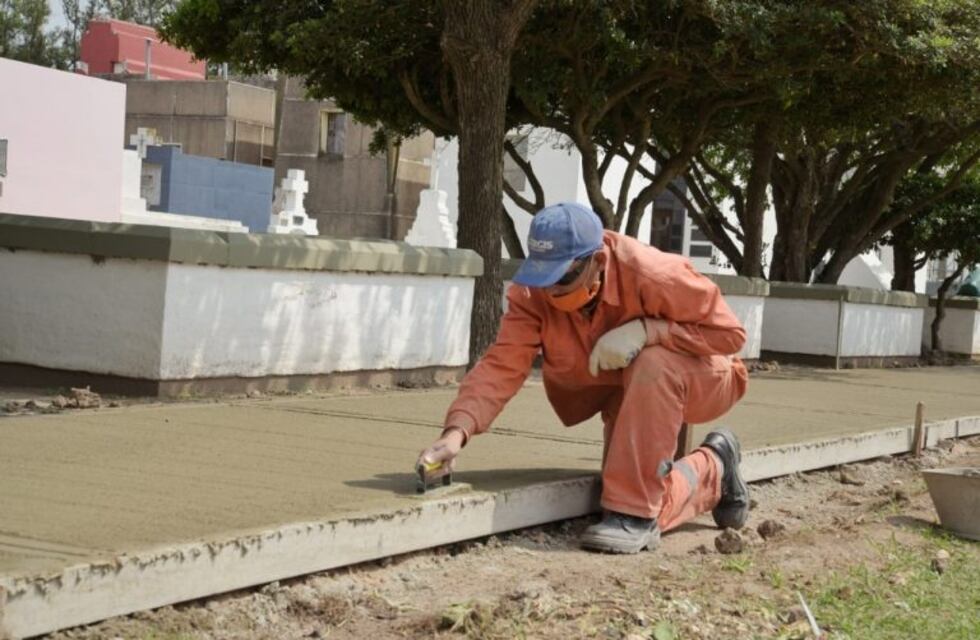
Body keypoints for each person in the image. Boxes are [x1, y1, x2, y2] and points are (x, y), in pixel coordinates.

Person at [417, 202, 750, 553]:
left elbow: (729, 335)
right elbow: (502, 363)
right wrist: (457, 433)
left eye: (563, 276)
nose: (553, 290)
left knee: (653, 370)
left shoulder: (653, 273)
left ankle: (635, 516)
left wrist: (650, 331)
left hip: (704, 375)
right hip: (630, 391)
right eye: (544, 276)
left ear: (598, 261)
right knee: (628, 491)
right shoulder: (533, 293)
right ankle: (715, 464)